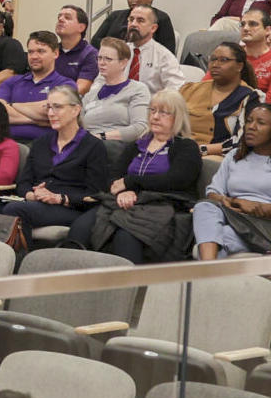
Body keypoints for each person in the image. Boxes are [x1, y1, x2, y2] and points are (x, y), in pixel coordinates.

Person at [70, 88, 201, 264]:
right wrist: (124, 191)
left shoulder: (186, 147)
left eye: (163, 112)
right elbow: (114, 176)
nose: (155, 117)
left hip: (163, 205)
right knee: (80, 228)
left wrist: (131, 183)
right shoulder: (137, 144)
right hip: (125, 202)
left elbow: (176, 180)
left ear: (178, 117)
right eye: (152, 110)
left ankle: (131, 281)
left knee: (125, 235)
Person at [0, 84, 110, 232]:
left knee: (16, 209)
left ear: (75, 110)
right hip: (37, 202)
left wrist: (59, 198)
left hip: (70, 208)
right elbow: (24, 182)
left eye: (57, 107)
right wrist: (31, 195)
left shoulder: (93, 146)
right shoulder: (41, 143)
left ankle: (19, 248)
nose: (51, 113)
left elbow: (95, 194)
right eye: (49, 107)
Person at [192, 104, 271, 259]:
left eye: (261, 123)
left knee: (212, 244)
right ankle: (208, 266)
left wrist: (256, 207)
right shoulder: (235, 156)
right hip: (236, 219)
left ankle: (205, 267)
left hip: (264, 225)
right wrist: (229, 201)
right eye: (249, 121)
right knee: (204, 206)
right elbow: (213, 192)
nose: (251, 127)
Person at [183, 42, 263, 155]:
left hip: (219, 156)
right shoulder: (190, 89)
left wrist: (201, 150)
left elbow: (242, 142)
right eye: (213, 59)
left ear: (239, 66)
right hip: (179, 150)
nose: (215, 64)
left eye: (223, 60)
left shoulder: (250, 97)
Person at [0, 31, 68, 143]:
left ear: (56, 53)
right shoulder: (12, 82)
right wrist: (36, 119)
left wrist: (11, 106)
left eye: (41, 51)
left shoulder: (65, 84)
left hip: (43, 145)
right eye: (30, 52)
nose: (34, 56)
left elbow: (55, 112)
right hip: (4, 142)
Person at [79, 37, 152, 144]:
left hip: (114, 144)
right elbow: (77, 124)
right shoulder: (92, 93)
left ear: (123, 63)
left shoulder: (137, 89)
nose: (101, 63)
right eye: (99, 58)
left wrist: (101, 136)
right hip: (88, 143)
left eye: (108, 59)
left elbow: (140, 128)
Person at [92, 0, 176, 53]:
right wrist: (120, 48)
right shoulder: (115, 16)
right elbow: (95, 41)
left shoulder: (161, 18)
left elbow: (168, 50)